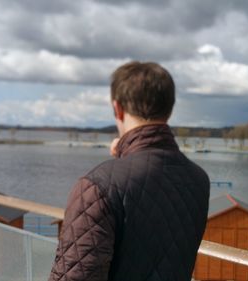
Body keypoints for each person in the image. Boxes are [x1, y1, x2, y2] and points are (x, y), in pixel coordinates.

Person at [48, 62, 210, 281]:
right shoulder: (198, 179)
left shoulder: (95, 187)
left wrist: (120, 163)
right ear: (169, 109)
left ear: (118, 108)